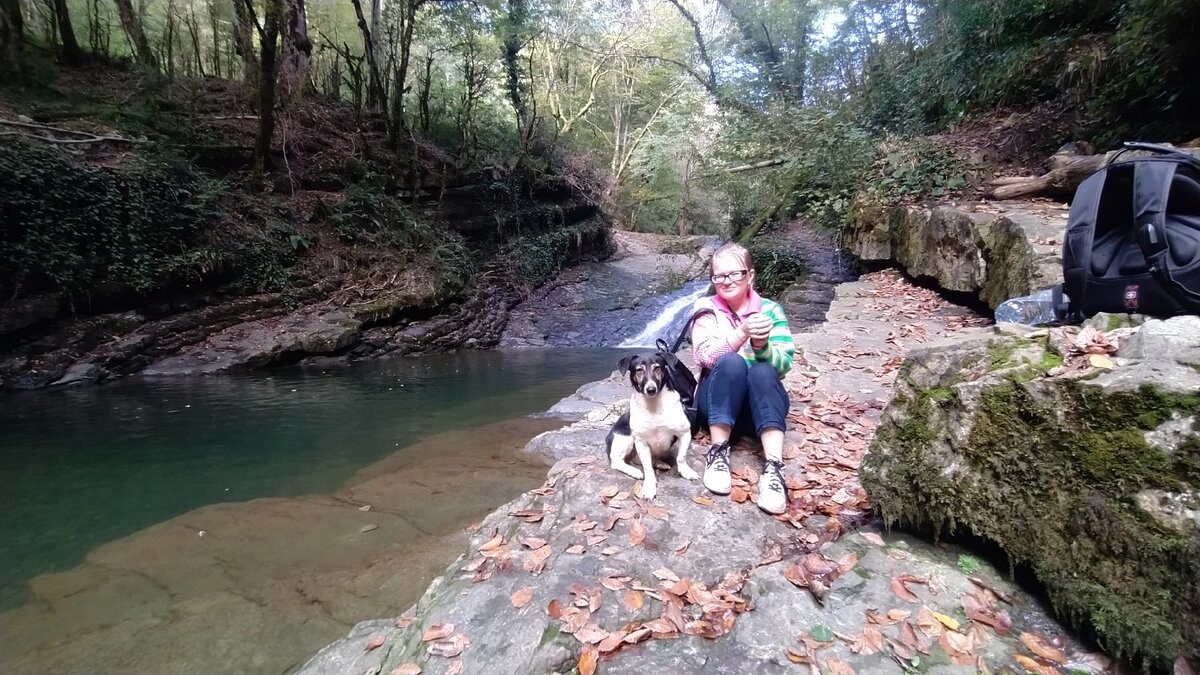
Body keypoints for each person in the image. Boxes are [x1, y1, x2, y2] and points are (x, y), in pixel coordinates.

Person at [689, 242, 795, 515]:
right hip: (715, 404)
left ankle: (773, 468)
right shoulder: (705, 307)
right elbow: (705, 357)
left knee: (762, 370)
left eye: (735, 273)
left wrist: (762, 346)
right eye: (719, 276)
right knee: (732, 362)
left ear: (750, 275)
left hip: (754, 409)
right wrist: (742, 334)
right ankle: (718, 451)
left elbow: (783, 366)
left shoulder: (771, 310)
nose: (726, 281)